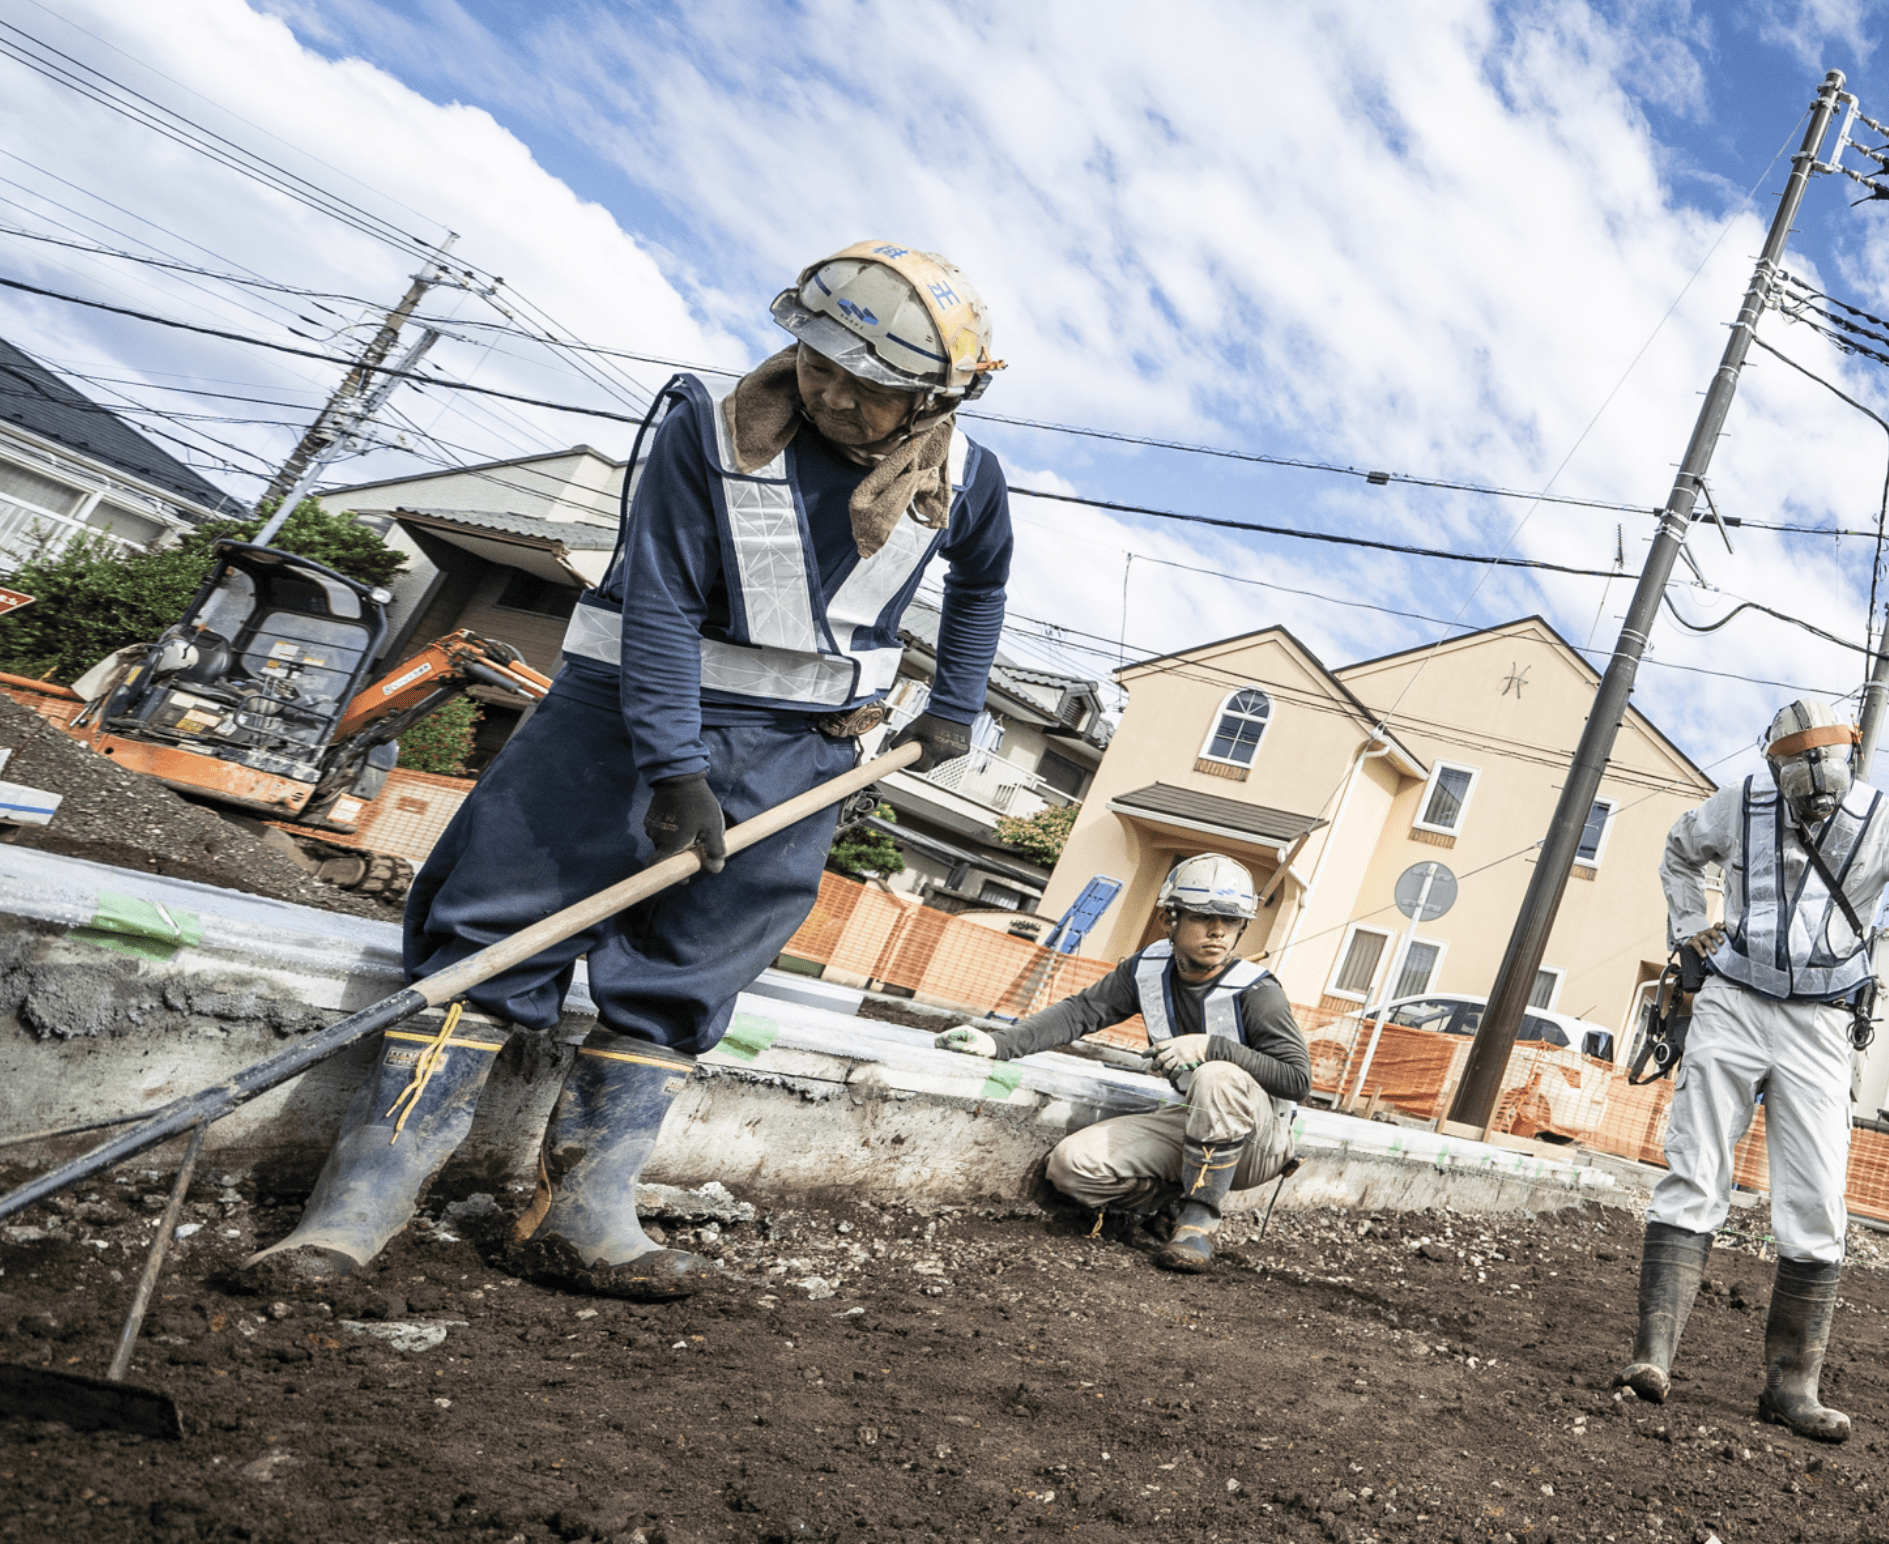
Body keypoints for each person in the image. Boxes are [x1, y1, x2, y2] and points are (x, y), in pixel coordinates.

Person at [240, 241, 1013, 1300]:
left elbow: (983, 585)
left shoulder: (966, 478)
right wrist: (675, 765)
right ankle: (359, 1201)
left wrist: (959, 705)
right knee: (500, 927)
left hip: (800, 758)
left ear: (931, 398)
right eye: (816, 361)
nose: (829, 392)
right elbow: (655, 605)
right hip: (618, 725)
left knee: (685, 972)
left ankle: (579, 1206)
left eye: (865, 385)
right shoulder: (710, 429)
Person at [1619, 698, 1889, 1442]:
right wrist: (1689, 929)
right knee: (1695, 1168)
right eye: (1797, 793)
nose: (1810, 806)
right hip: (1733, 1001)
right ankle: (1652, 1359)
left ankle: (1791, 1387)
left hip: (1821, 1023)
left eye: (1824, 792)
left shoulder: (1883, 820)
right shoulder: (1740, 801)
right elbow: (1680, 850)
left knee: (1815, 1199)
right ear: (1775, 770)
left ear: (1849, 765)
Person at [933, 854, 1309, 1274]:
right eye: (1204, 917)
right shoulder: (1146, 969)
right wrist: (996, 1044)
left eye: (1232, 921)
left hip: (1260, 1143)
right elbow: (1082, 1011)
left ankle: (1197, 1222)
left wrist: (1212, 1046)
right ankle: (1163, 1208)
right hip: (1194, 1121)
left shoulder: (1257, 992)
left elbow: (1297, 1079)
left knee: (1215, 1073)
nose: (1219, 931)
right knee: (1072, 1167)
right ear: (1170, 918)